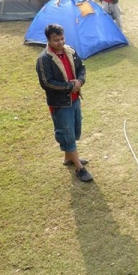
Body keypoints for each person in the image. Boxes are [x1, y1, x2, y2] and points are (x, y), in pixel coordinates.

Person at [36, 24, 93, 182]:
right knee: (66, 133)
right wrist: (70, 87)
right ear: (48, 40)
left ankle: (69, 158)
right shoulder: (44, 59)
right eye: (56, 40)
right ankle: (79, 167)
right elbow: (47, 83)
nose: (60, 42)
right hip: (60, 104)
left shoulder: (70, 51)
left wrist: (79, 81)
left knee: (74, 130)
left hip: (74, 100)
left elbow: (82, 68)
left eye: (62, 38)